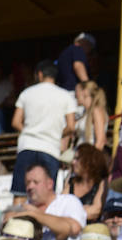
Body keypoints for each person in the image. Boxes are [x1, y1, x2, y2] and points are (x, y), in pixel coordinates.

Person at [11, 61, 76, 199]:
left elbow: (16, 122)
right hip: (51, 148)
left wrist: (32, 131)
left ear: (39, 74)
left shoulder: (26, 93)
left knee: (20, 194)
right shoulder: (66, 96)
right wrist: (55, 134)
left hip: (27, 145)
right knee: (46, 197)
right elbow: (71, 126)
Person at [16, 163, 84, 240]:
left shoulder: (68, 201)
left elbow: (74, 228)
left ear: (50, 184)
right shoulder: (23, 208)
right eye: (27, 183)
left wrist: (37, 215)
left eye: (35, 182)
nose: (30, 186)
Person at [69, 142, 109, 222]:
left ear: (88, 161)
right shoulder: (70, 182)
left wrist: (70, 211)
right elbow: (59, 208)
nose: (73, 162)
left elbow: (95, 211)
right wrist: (84, 209)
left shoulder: (101, 183)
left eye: (77, 159)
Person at [74, 81, 110, 152]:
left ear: (84, 92)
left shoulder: (96, 111)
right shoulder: (85, 113)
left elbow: (100, 141)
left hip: (88, 157)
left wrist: (91, 160)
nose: (75, 95)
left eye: (76, 92)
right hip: (81, 155)